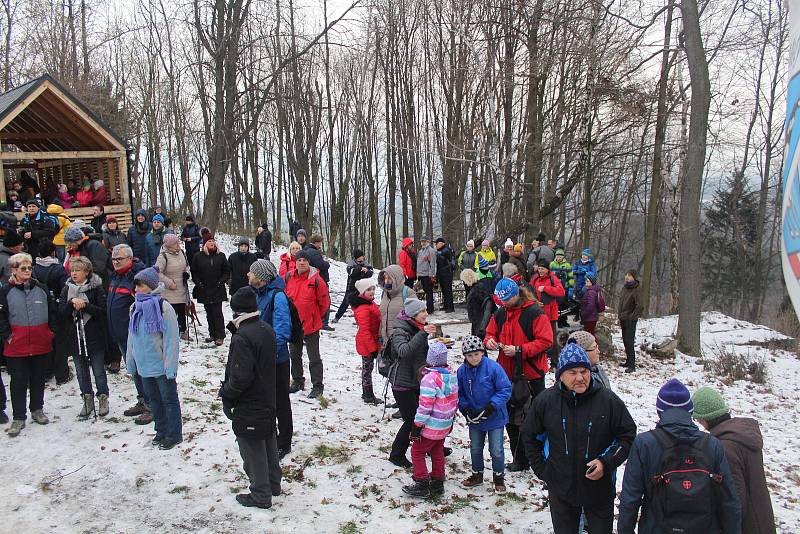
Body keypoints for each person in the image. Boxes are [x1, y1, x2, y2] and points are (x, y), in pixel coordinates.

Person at [522, 343, 637, 534]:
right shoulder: (546, 402)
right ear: (560, 375)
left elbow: (627, 436)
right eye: (572, 372)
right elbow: (530, 436)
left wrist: (605, 462)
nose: (580, 378)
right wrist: (544, 470)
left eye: (584, 371)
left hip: (599, 489)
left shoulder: (608, 401)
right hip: (561, 489)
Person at [617, 379, 741, 534]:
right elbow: (728, 500)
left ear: (659, 411)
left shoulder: (644, 444)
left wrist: (625, 530)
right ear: (690, 411)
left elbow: (630, 498)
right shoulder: (712, 445)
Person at [220, 287, 282, 509]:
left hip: (250, 400)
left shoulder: (243, 336)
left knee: (252, 446)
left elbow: (240, 377)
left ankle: (260, 494)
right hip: (267, 396)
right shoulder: (266, 329)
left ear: (236, 310)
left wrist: (227, 394)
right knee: (267, 440)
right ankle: (273, 484)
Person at [483, 278, 553, 471]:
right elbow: (490, 332)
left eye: (506, 300)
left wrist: (520, 350)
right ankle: (519, 459)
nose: (503, 304)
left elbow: (546, 341)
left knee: (533, 420)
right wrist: (489, 341)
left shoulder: (534, 313)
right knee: (510, 419)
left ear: (516, 295)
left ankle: (539, 459)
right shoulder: (501, 313)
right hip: (506, 375)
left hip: (531, 375)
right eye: (501, 301)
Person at [691, 387, 775, 534]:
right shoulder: (742, 435)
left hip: (747, 526)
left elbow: (735, 498)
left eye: (697, 418)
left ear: (705, 419)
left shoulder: (725, 447)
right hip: (761, 518)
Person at [0, 253, 56, 436]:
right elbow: (1, 318)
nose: (26, 271)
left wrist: (50, 332)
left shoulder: (41, 288)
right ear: (13, 270)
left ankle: (37, 409)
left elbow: (52, 312)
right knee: (18, 381)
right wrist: (8, 336)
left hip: (40, 343)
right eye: (22, 268)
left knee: (38, 378)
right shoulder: (5, 291)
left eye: (29, 268)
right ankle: (18, 417)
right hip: (16, 345)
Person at [127, 266, 182, 450]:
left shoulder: (163, 307)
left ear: (151, 286)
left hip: (160, 364)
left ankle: (174, 434)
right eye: (136, 286)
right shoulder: (135, 307)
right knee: (154, 401)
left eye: (140, 286)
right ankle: (161, 430)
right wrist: (131, 359)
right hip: (144, 364)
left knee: (168, 399)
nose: (136, 290)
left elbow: (171, 339)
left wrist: (170, 365)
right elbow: (131, 336)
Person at [248, 259, 294, 459]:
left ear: (261, 277)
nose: (248, 275)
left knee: (280, 400)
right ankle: (270, 434)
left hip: (276, 359)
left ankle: (284, 441)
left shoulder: (278, 297)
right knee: (267, 399)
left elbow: (282, 331)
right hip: (261, 358)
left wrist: (269, 354)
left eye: (251, 272)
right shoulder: (258, 294)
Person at [402, 342, 458, 498]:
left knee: (417, 451)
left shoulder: (430, 379)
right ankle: (438, 481)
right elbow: (455, 400)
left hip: (431, 425)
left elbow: (425, 406)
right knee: (437, 450)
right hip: (445, 423)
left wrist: (417, 425)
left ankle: (421, 482)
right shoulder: (452, 375)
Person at [457, 335, 511, 492]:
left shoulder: (493, 368)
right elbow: (459, 393)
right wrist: (465, 408)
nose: (473, 358)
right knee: (475, 447)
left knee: (496, 449)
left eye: (476, 354)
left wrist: (492, 406)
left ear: (482, 353)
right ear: (465, 356)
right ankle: (477, 474)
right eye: (469, 355)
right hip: (475, 417)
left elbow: (505, 389)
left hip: (494, 416)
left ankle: (498, 476)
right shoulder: (462, 372)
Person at [388, 297, 437, 468]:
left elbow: (422, 353)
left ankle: (431, 447)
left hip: (417, 380)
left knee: (425, 416)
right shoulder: (400, 331)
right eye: (423, 311)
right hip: (402, 383)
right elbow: (404, 352)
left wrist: (437, 344)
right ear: (413, 314)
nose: (426, 314)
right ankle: (397, 454)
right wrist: (423, 333)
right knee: (412, 420)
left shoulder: (418, 327)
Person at [59, 256, 109, 418]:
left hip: (94, 336)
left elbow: (102, 311)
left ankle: (103, 397)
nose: (74, 273)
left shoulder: (96, 288)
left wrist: (86, 306)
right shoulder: (67, 289)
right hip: (75, 337)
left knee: (98, 370)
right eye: (72, 270)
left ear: (87, 272)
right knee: (81, 372)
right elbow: (61, 314)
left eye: (78, 270)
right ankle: (87, 398)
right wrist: (70, 304)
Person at [108, 245, 151, 424]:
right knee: (133, 370)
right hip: (119, 334)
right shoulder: (115, 276)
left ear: (130, 259)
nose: (116, 262)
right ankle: (142, 400)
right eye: (113, 259)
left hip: (134, 335)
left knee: (143, 371)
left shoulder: (137, 278)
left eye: (120, 259)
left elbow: (144, 306)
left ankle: (151, 405)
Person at [284, 250, 330, 399]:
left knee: (314, 357)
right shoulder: (288, 277)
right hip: (294, 325)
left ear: (308, 262)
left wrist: (316, 316)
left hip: (311, 324)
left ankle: (317, 386)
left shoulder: (316, 279)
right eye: (299, 260)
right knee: (294, 355)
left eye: (304, 260)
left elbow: (324, 302)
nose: (302, 262)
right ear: (295, 262)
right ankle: (297, 381)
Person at [35, 240, 71, 384]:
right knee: (60, 341)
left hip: (41, 309)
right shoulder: (58, 269)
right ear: (53, 252)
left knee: (45, 340)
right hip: (56, 308)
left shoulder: (33, 269)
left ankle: (46, 371)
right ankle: (61, 374)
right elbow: (65, 289)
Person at [190, 233, 230, 346]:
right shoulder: (198, 256)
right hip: (204, 289)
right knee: (209, 313)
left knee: (217, 312)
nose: (211, 243)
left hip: (217, 288)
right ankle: (212, 334)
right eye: (209, 241)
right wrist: (198, 283)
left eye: (213, 241)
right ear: (204, 244)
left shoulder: (221, 256)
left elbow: (227, 271)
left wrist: (221, 281)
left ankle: (220, 335)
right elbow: (194, 272)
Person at [351, 278, 382, 405]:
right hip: (367, 343)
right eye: (368, 289)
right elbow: (365, 330)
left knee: (367, 369)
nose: (372, 291)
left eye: (373, 289)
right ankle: (368, 395)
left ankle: (366, 393)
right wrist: (373, 349)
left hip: (370, 341)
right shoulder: (363, 307)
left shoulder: (369, 303)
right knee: (367, 369)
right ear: (362, 292)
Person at [530, 259, 566, 369]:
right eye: (539, 268)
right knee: (536, 337)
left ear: (547, 269)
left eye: (542, 269)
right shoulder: (535, 278)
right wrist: (535, 302)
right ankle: (539, 360)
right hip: (537, 313)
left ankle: (554, 363)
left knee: (552, 339)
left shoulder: (552, 278)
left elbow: (561, 291)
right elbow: (529, 291)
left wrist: (545, 288)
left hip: (551, 314)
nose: (540, 271)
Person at [155, 234, 190, 341]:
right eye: (175, 243)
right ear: (169, 245)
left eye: (178, 242)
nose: (178, 244)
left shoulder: (182, 253)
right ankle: (170, 332)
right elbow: (157, 272)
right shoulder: (163, 256)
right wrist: (169, 283)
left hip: (182, 287)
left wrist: (186, 274)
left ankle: (183, 330)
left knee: (182, 310)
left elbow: (187, 266)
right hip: (169, 290)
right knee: (171, 312)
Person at [333, 249, 374, 323]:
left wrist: (367, 271)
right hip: (351, 287)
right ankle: (337, 317)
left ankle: (360, 319)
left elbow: (370, 273)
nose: (362, 258)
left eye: (362, 256)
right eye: (360, 257)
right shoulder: (351, 263)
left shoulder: (365, 263)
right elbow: (351, 273)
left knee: (361, 305)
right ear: (356, 257)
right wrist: (360, 268)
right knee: (345, 303)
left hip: (362, 288)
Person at [305, 234, 333, 331]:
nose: (320, 245)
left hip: (311, 279)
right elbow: (321, 265)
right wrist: (327, 263)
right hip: (320, 279)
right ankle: (324, 322)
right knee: (325, 300)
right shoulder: (314, 252)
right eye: (320, 242)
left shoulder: (306, 249)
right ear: (317, 242)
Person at [618, 270, 643, 373]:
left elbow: (640, 305)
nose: (627, 277)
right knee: (625, 340)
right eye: (626, 275)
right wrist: (619, 317)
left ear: (634, 277)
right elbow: (621, 303)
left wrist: (632, 317)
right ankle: (628, 361)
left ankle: (632, 365)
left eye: (629, 275)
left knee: (629, 341)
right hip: (623, 317)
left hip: (630, 319)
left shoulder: (637, 289)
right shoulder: (625, 288)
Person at [462, 267, 498, 339]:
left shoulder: (476, 290)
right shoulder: (478, 287)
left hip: (480, 323)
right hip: (479, 322)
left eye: (464, 280)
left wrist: (481, 326)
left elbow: (485, 307)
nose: (464, 283)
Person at [378, 265, 407, 347]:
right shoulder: (385, 293)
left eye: (389, 278)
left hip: (401, 341)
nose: (386, 281)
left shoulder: (408, 293)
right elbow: (383, 315)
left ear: (396, 278)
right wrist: (380, 334)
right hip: (386, 341)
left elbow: (417, 317)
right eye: (385, 278)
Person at [416, 236, 437, 314]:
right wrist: (418, 274)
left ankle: (430, 309)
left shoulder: (431, 251)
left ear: (428, 242)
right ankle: (427, 307)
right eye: (422, 241)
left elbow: (433, 264)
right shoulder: (421, 251)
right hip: (421, 275)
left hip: (427, 275)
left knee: (429, 292)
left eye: (424, 241)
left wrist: (432, 275)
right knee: (426, 291)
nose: (423, 243)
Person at [434, 238, 455, 312]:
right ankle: (446, 306)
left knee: (447, 291)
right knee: (444, 291)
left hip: (447, 274)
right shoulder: (440, 251)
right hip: (442, 274)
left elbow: (452, 263)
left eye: (437, 243)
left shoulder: (447, 250)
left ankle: (450, 307)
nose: (435, 245)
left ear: (442, 243)